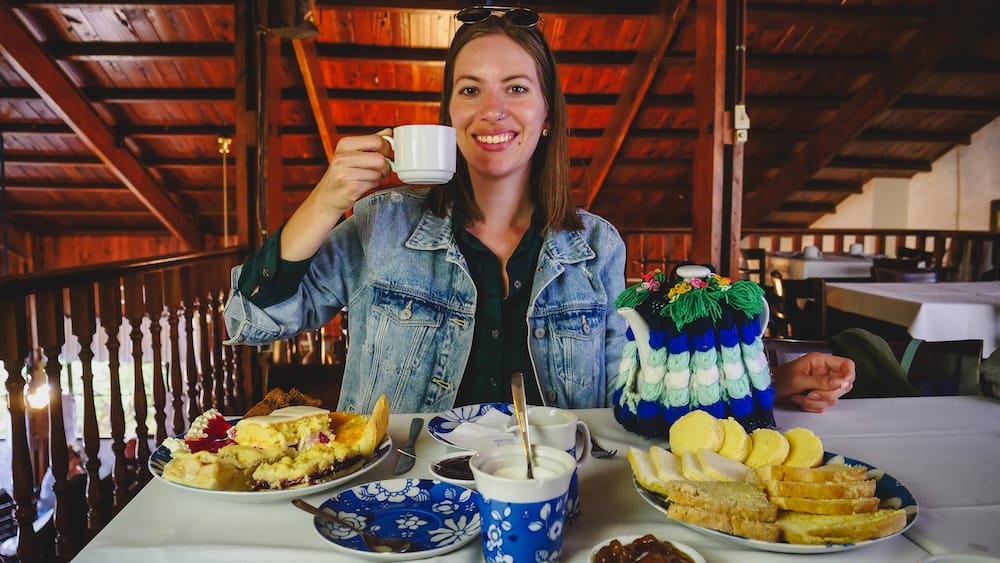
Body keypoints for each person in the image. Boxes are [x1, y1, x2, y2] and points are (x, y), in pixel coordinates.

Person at [223, 6, 854, 415]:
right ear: (449, 115)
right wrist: (323, 201)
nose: (492, 109)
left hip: (553, 496)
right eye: (470, 90)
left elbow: (629, 380)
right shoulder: (380, 225)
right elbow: (250, 322)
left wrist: (771, 377)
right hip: (398, 501)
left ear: (546, 116)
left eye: (516, 89)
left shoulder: (597, 246)